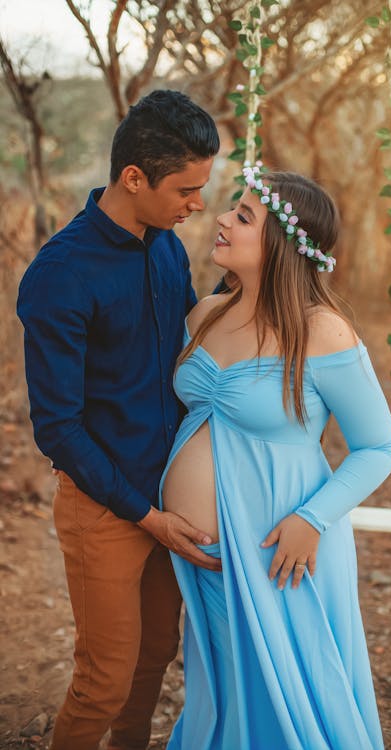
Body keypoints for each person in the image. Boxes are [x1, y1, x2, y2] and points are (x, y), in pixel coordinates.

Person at [159, 168, 391, 750]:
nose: (221, 218)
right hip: (205, 552)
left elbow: (378, 447)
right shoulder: (203, 317)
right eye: (231, 210)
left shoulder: (322, 332)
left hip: (281, 548)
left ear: (283, 246)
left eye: (243, 216)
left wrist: (310, 520)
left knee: (288, 695)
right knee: (229, 690)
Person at [17, 89, 221, 750]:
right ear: (134, 177)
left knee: (155, 655)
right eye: (187, 190)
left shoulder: (163, 245)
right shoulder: (60, 274)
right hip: (105, 506)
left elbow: (188, 343)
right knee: (103, 678)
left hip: (169, 494)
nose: (197, 205)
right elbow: (58, 428)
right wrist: (145, 514)